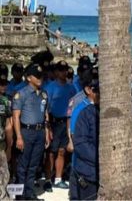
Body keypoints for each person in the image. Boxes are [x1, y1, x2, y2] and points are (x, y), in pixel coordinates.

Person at [12, 64, 50, 200]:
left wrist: (46, 132)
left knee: (34, 165)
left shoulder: (44, 93)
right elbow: (16, 116)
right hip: (26, 132)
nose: (40, 79)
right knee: (23, 165)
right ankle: (20, 195)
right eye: (37, 76)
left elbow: (45, 114)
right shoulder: (21, 94)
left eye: (41, 76)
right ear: (29, 78)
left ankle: (29, 193)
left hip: (40, 133)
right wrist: (19, 137)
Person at [43, 60, 77, 190]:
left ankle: (58, 178)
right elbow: (46, 108)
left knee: (62, 151)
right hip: (53, 122)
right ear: (56, 72)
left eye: (65, 69)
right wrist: (48, 127)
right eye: (61, 70)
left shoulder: (71, 88)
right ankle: (47, 179)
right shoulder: (50, 87)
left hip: (65, 122)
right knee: (51, 152)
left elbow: (74, 106)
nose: (64, 72)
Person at [69, 73, 99, 200]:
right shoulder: (80, 108)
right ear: (88, 90)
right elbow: (75, 136)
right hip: (82, 166)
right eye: (96, 90)